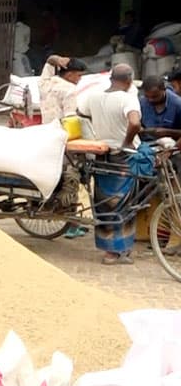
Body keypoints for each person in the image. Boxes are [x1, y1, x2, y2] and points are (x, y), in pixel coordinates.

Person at [78, 64, 143, 265]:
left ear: (111, 78)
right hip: (124, 156)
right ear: (129, 80)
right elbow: (135, 123)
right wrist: (126, 141)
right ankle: (119, 251)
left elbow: (81, 112)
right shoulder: (128, 98)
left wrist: (100, 126)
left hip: (102, 153)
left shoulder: (93, 96)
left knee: (104, 201)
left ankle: (110, 252)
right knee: (125, 203)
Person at [38, 54, 88, 125]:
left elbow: (50, 61)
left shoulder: (44, 83)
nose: (80, 79)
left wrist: (58, 59)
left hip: (47, 129)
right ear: (69, 75)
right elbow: (71, 118)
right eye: (79, 75)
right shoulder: (69, 90)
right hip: (62, 132)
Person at [141, 74, 181, 141]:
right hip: (146, 144)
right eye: (147, 96)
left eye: (155, 97)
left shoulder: (177, 104)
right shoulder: (141, 102)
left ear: (164, 89)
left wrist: (168, 132)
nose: (150, 100)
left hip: (171, 146)